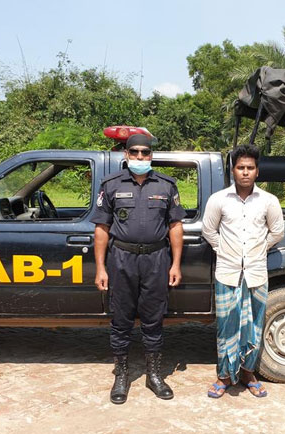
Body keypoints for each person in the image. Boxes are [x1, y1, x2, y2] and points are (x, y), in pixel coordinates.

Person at [91, 133, 186, 405]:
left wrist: (176, 263)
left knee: (153, 319)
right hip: (121, 259)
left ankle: (153, 375)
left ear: (151, 156)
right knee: (121, 320)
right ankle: (121, 375)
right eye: (135, 152)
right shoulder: (110, 185)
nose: (140, 157)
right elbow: (101, 229)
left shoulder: (167, 185)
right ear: (126, 154)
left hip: (157, 259)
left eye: (145, 152)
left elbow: (175, 227)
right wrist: (101, 268)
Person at [201, 144, 285, 399]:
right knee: (226, 326)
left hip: (256, 274)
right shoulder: (219, 200)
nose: (245, 172)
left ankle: (249, 373)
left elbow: (277, 231)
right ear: (233, 170)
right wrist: (224, 250)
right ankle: (224, 376)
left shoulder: (269, 201)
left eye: (250, 168)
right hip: (227, 272)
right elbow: (208, 230)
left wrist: (259, 249)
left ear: (257, 171)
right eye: (241, 168)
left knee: (253, 327)